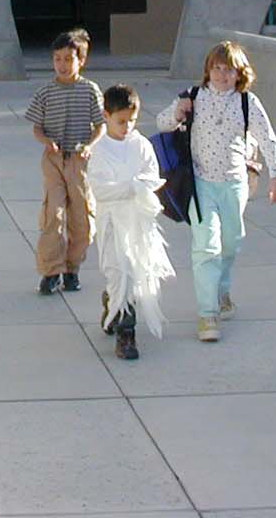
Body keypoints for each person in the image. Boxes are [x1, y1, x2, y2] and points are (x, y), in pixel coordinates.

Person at [156, 39, 276, 342]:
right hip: (201, 184)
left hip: (235, 184)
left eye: (228, 70)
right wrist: (179, 112)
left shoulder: (247, 102)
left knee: (230, 243)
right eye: (216, 68)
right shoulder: (194, 97)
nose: (221, 75)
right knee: (206, 247)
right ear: (208, 70)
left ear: (240, 73)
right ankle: (207, 314)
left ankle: (222, 291)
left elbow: (268, 139)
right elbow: (162, 123)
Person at [90, 84, 175, 360]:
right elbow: (100, 189)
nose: (127, 127)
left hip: (138, 219)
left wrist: (137, 188)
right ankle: (114, 303)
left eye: (131, 121)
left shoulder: (141, 145)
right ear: (106, 116)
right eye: (121, 121)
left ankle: (127, 331)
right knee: (118, 269)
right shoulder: (99, 150)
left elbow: (153, 177)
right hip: (112, 220)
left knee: (135, 271)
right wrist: (131, 187)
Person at [25, 28, 104, 295]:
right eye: (57, 59)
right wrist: (46, 140)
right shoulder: (46, 92)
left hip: (79, 161)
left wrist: (90, 146)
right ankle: (51, 271)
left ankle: (72, 268)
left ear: (81, 60)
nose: (62, 65)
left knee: (81, 219)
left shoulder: (90, 90)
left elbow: (100, 126)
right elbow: (36, 127)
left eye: (69, 59)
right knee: (52, 216)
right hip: (54, 160)